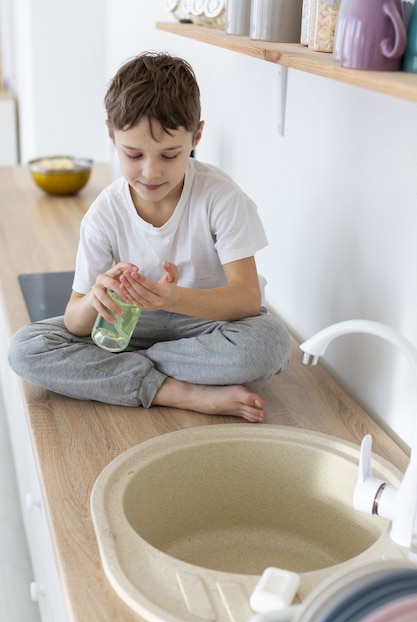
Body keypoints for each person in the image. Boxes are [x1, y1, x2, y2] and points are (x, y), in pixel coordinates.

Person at [8, 51, 291, 423]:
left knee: (270, 343)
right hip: (134, 326)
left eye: (170, 155)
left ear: (196, 136)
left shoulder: (221, 198)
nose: (151, 172)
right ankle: (179, 391)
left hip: (206, 325)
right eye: (134, 153)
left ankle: (126, 375)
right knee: (26, 348)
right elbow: (75, 321)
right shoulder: (104, 213)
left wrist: (174, 298)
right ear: (111, 135)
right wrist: (97, 299)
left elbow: (247, 300)